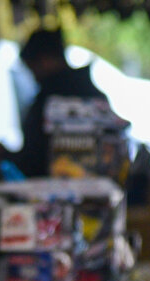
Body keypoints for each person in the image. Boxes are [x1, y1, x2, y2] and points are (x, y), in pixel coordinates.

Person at [10, 27, 109, 179]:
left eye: (32, 68)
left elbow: (34, 157)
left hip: (50, 193)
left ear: (45, 60)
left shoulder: (48, 99)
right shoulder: (94, 95)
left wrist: (5, 155)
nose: (33, 76)